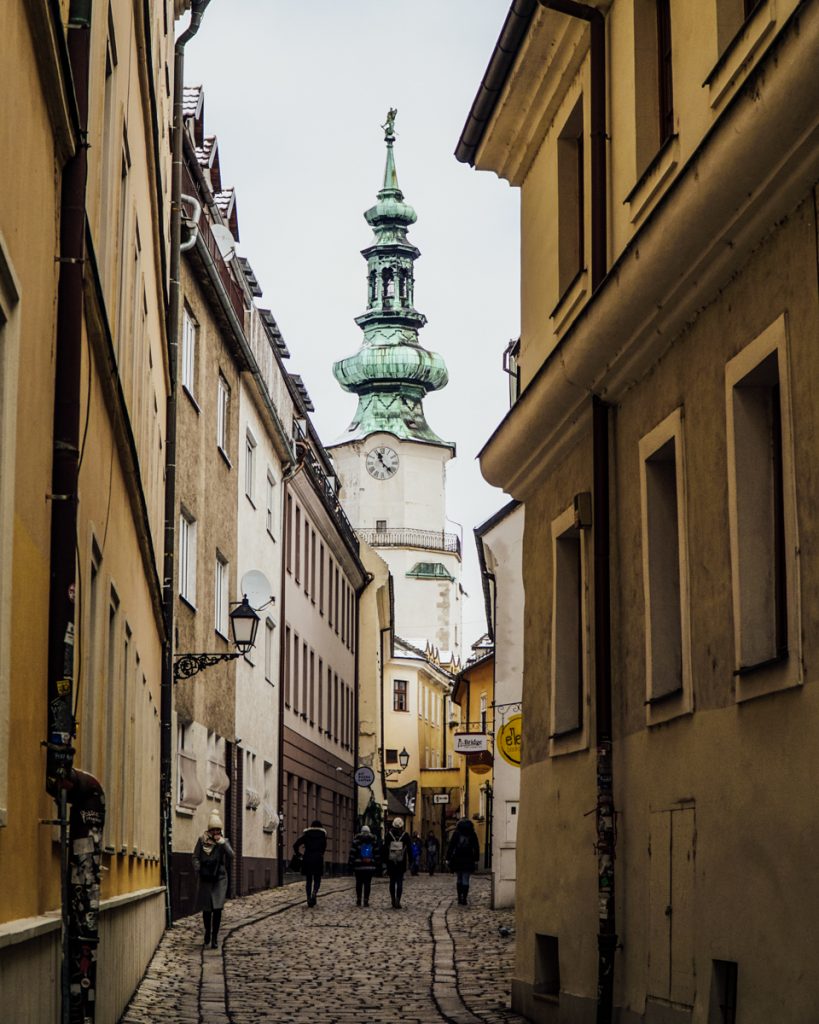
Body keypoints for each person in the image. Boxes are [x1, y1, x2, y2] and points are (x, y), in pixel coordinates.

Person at [192, 810, 234, 948]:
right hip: (206, 878)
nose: (216, 832)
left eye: (218, 829)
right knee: (207, 909)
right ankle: (207, 933)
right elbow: (195, 857)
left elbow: (231, 855)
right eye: (214, 829)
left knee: (217, 908)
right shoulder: (201, 840)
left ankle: (215, 937)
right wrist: (199, 868)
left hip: (219, 878)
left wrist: (222, 843)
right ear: (209, 830)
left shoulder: (223, 841)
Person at [446, 817, 480, 906]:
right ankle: (464, 898)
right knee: (466, 879)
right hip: (469, 859)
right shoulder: (472, 834)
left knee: (459, 878)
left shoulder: (456, 834)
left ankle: (459, 897)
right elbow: (476, 848)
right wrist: (476, 859)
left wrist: (448, 858)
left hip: (458, 859)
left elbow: (451, 846)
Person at [293, 819, 327, 907]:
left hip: (307, 858)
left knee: (309, 880)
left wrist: (298, 854)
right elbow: (324, 847)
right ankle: (314, 893)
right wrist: (321, 853)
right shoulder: (322, 835)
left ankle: (308, 898)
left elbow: (295, 844)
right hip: (318, 859)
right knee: (317, 879)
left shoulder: (307, 834)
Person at [348, 824, 380, 907]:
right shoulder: (373, 841)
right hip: (369, 866)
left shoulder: (356, 841)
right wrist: (377, 863)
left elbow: (352, 853)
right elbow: (376, 853)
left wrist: (351, 863)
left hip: (358, 866)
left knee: (358, 883)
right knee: (367, 883)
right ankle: (366, 900)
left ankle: (358, 899)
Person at [383, 816, 411, 909]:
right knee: (399, 881)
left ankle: (392, 899)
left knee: (392, 881)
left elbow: (384, 849)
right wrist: (411, 861)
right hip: (401, 862)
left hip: (391, 862)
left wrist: (385, 862)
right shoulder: (405, 835)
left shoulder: (388, 835)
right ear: (402, 826)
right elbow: (409, 849)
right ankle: (398, 900)